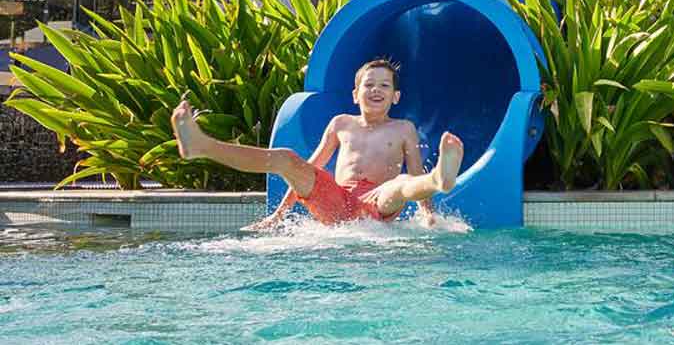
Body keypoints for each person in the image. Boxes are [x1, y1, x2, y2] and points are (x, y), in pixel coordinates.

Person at [169, 59, 463, 229]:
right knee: (286, 158)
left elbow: (413, 171)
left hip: (378, 201)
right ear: (355, 94)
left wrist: (427, 212)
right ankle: (202, 146)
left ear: (395, 97)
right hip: (336, 201)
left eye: (385, 85)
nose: (376, 90)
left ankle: (438, 178)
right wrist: (278, 215)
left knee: (400, 183)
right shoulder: (340, 123)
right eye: (368, 85)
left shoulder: (403, 128)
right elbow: (310, 170)